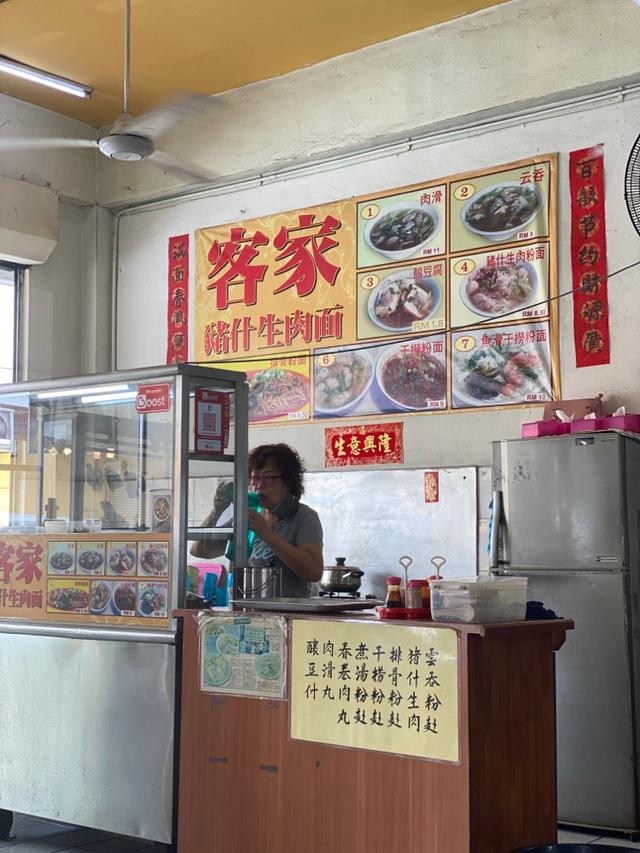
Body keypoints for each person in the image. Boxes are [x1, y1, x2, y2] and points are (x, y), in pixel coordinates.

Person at [190, 443, 323, 597]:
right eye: (255, 478)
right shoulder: (247, 516)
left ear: (288, 481)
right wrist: (216, 512)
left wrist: (267, 534)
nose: (259, 485)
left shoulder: (304, 517)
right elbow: (199, 550)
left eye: (268, 477)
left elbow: (314, 571)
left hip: (287, 614)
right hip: (246, 612)